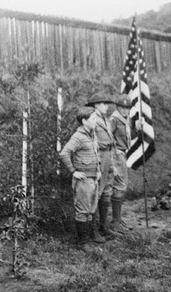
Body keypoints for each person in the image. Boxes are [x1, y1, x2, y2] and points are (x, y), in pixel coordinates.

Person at [59, 106, 101, 250]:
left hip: (93, 178)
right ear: (84, 121)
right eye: (93, 119)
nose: (96, 121)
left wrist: (99, 171)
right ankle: (83, 242)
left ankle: (88, 239)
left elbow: (96, 154)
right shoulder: (78, 137)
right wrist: (73, 171)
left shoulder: (92, 134)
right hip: (83, 180)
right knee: (83, 210)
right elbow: (64, 153)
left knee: (90, 209)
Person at [85, 93, 118, 241]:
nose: (106, 106)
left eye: (106, 103)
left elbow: (111, 140)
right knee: (96, 193)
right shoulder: (91, 120)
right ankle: (93, 230)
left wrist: (112, 164)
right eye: (103, 103)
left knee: (107, 192)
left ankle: (103, 227)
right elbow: (90, 141)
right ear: (96, 105)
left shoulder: (105, 119)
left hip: (108, 157)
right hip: (98, 158)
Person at [109, 95, 133, 234]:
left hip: (122, 153)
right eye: (123, 107)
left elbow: (125, 137)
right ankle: (115, 221)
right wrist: (114, 155)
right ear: (117, 107)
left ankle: (118, 219)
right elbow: (108, 137)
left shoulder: (124, 119)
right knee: (119, 185)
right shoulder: (114, 119)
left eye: (127, 108)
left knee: (122, 185)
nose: (125, 110)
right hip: (116, 154)